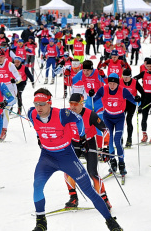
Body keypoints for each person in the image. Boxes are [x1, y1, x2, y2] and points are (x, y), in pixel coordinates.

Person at [28, 88, 123, 231]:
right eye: (36, 103)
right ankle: (41, 222)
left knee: (89, 189)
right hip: (47, 157)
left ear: (50, 103)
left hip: (66, 156)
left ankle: (110, 221)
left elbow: (78, 119)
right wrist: (39, 136)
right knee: (37, 186)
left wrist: (81, 135)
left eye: (42, 104)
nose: (38, 107)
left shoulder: (62, 114)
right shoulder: (31, 113)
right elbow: (37, 124)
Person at [65, 93, 112, 210]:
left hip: (89, 144)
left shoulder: (90, 114)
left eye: (75, 104)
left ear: (82, 104)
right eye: (71, 104)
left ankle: (104, 200)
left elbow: (105, 130)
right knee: (68, 170)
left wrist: (105, 148)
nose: (72, 107)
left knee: (92, 172)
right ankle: (73, 198)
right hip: (75, 144)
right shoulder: (66, 113)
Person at [91, 73, 138, 174]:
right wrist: (91, 95)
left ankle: (121, 163)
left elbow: (134, 101)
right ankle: (113, 162)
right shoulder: (103, 89)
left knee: (117, 141)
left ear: (118, 83)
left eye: (114, 84)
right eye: (110, 83)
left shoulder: (123, 90)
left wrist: (138, 100)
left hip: (119, 118)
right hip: (107, 117)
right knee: (109, 141)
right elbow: (93, 99)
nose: (112, 86)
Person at [0, 50, 21, 141]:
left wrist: (15, 80)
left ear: (5, 57)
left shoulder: (10, 65)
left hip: (9, 88)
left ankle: (3, 130)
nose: (0, 59)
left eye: (1, 57)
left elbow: (19, 77)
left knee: (6, 110)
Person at [120, 69, 144, 147]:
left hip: (131, 104)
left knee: (129, 120)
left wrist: (139, 101)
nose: (125, 79)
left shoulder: (135, 82)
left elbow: (143, 93)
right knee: (120, 121)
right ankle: (120, 138)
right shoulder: (119, 81)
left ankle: (129, 139)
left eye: (127, 77)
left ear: (131, 77)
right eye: (124, 77)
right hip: (121, 104)